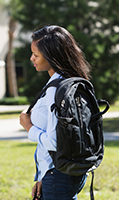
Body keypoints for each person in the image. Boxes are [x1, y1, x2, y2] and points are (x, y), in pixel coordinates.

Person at [19, 25, 91, 200]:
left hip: (58, 175)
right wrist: (43, 176)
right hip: (70, 172)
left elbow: (54, 141)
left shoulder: (55, 89)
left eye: (36, 55)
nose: (31, 58)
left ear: (51, 56)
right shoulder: (73, 81)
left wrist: (28, 126)